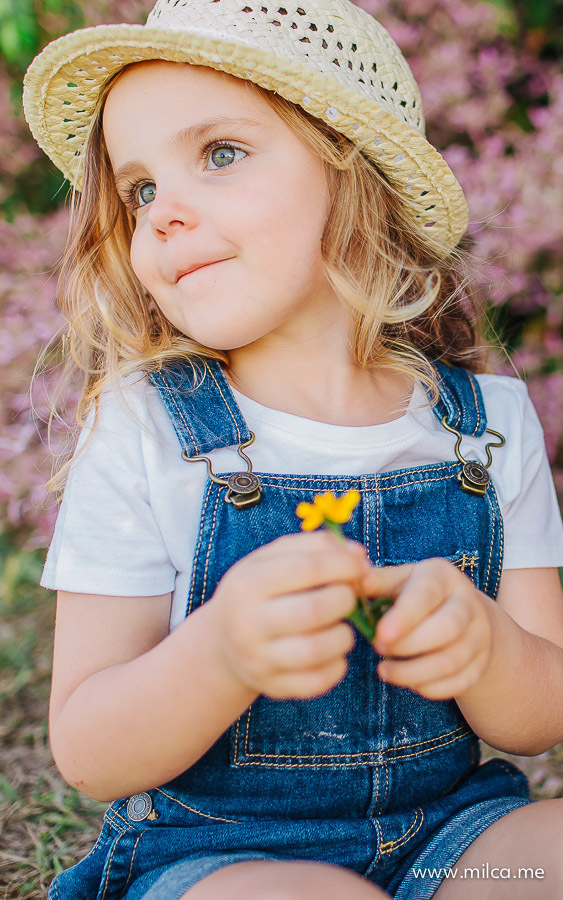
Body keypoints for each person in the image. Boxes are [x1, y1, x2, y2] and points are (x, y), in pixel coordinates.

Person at [22, 0, 563, 897]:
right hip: (219, 857)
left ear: (353, 172)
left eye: (220, 155)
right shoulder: (149, 427)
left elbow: (538, 719)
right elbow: (89, 751)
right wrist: (219, 655)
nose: (159, 216)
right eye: (139, 189)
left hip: (454, 836)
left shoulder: (485, 423)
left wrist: (490, 650)